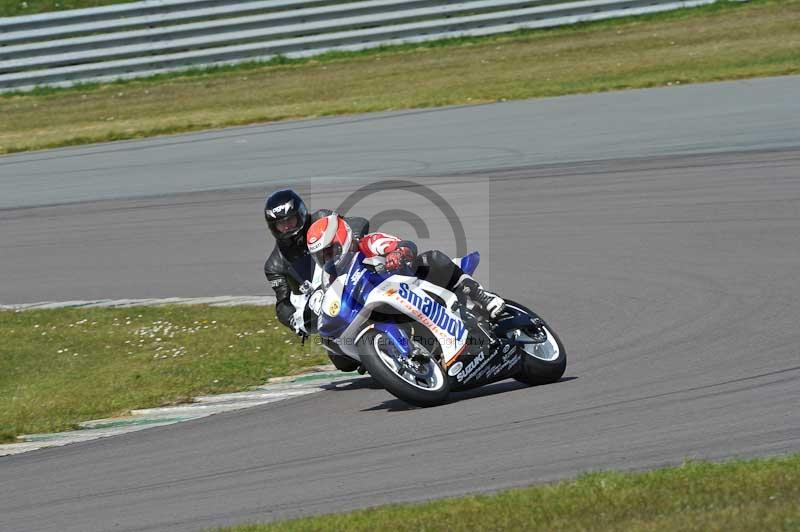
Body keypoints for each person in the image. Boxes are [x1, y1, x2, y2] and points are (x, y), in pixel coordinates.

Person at [306, 214, 505, 318]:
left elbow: (406, 245)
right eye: (321, 256)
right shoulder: (328, 277)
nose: (328, 259)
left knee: (432, 258)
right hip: (379, 309)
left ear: (343, 238)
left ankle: (482, 296)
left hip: (412, 287)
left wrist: (397, 253)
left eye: (330, 251)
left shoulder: (369, 243)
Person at [263, 190, 368, 334]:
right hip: (324, 299)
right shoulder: (274, 265)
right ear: (273, 227)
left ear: (300, 214)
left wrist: (353, 239)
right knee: (335, 348)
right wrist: (293, 321)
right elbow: (283, 303)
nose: (286, 227)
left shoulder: (321, 219)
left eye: (289, 220)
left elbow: (357, 224)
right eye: (280, 224)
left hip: (351, 271)